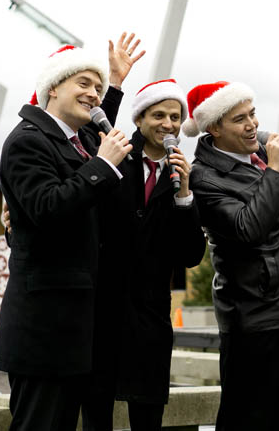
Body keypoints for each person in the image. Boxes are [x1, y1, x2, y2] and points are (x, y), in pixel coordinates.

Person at [0, 43, 133, 431]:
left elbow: (97, 130)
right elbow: (48, 209)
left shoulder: (78, 139)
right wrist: (104, 165)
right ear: (53, 87)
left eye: (98, 88)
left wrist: (116, 83)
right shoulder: (27, 141)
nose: (94, 94)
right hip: (44, 333)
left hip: (75, 335)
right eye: (83, 83)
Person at [183, 81, 279, 431]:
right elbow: (247, 228)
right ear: (214, 128)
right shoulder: (204, 177)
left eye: (253, 114)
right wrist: (274, 171)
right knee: (248, 419)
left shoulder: (267, 153)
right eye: (239, 119)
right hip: (254, 320)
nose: (252, 124)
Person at [83, 79, 206, 430]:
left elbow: (191, 254)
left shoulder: (180, 173)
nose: (168, 124)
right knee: (96, 410)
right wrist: (115, 84)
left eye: (174, 116)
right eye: (158, 115)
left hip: (151, 314)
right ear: (139, 119)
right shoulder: (115, 155)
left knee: (149, 414)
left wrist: (184, 196)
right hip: (103, 310)